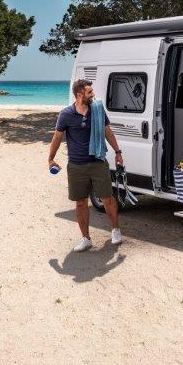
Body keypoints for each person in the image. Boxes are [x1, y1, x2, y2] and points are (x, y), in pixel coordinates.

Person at [48, 79, 125, 252]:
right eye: (89, 92)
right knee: (81, 202)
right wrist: (51, 158)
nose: (93, 94)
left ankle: (116, 230)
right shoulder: (66, 114)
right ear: (79, 95)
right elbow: (57, 137)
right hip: (76, 165)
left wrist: (118, 152)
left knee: (107, 198)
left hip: (98, 162)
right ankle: (86, 238)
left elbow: (107, 131)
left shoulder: (97, 109)